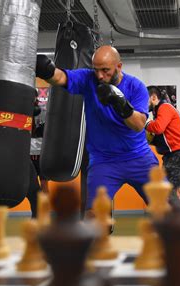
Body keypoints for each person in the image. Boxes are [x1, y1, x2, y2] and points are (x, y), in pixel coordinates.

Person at [35, 45, 158, 224]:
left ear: (119, 66)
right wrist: (46, 71)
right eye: (96, 69)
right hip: (103, 161)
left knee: (165, 206)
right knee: (92, 216)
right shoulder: (88, 78)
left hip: (138, 158)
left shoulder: (135, 86)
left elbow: (138, 125)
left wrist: (120, 103)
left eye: (105, 70)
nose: (100, 76)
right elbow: (61, 77)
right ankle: (96, 249)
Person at [145, 86, 180, 206]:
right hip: (173, 155)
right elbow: (162, 135)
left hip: (179, 154)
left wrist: (145, 123)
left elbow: (158, 128)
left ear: (153, 97)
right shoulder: (158, 111)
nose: (142, 104)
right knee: (174, 190)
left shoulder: (164, 107)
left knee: (172, 190)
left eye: (144, 100)